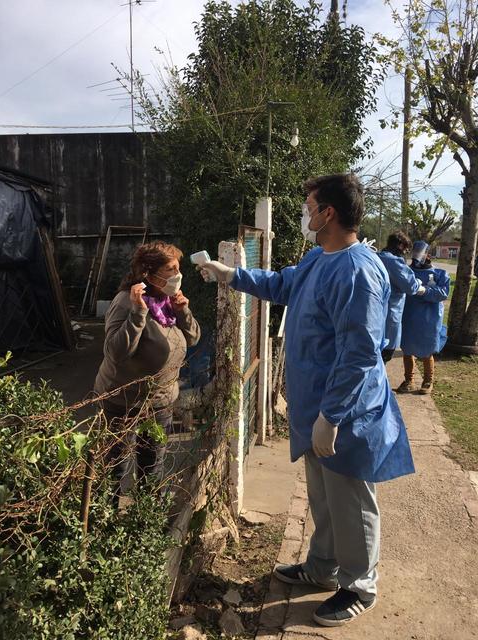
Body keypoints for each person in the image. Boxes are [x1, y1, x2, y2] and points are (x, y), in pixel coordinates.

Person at [200, 174, 414, 627]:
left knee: (352, 502)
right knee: (324, 497)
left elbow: (358, 353)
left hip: (346, 414)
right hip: (316, 409)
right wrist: (231, 274)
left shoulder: (358, 271)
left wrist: (331, 416)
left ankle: (359, 585)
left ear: (327, 213)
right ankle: (321, 567)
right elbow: (281, 285)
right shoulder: (321, 258)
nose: (305, 213)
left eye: (308, 205)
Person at [94, 241, 200, 501]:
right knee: (113, 468)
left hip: (160, 401)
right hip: (122, 400)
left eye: (178, 268)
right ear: (149, 275)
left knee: (152, 468)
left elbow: (194, 338)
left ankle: (145, 527)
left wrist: (182, 310)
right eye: (171, 270)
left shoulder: (168, 301)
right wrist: (138, 313)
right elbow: (116, 353)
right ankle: (104, 524)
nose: (177, 275)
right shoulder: (124, 302)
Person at [398, 241, 450, 394]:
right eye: (415, 252)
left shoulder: (440, 274)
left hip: (430, 319)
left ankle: (428, 381)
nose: (417, 257)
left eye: (420, 253)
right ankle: (409, 380)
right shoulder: (407, 272)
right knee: (407, 349)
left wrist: (424, 291)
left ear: (428, 255)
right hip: (408, 316)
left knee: (427, 351)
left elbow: (443, 293)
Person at [377, 231, 426, 363]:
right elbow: (410, 286)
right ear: (399, 245)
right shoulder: (394, 262)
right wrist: (419, 285)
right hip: (389, 317)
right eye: (405, 248)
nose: (406, 252)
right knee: (383, 358)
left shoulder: (377, 257)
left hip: (374, 317)